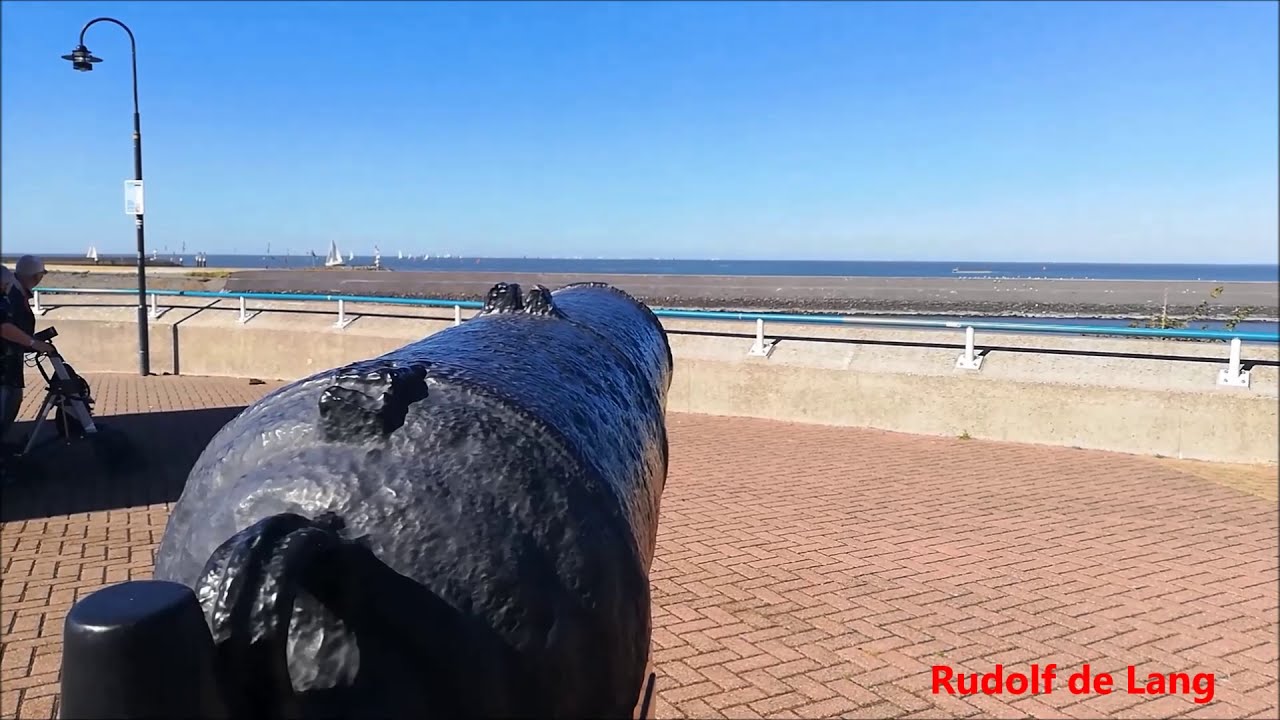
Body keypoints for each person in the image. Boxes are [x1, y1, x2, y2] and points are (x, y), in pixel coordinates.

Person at [1, 256, 56, 444]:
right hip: (5, 364)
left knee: (12, 401)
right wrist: (33, 343)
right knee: (7, 403)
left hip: (11, 362)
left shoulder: (16, 292)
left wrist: (31, 341)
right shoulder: (12, 294)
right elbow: (4, 326)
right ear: (35, 276)